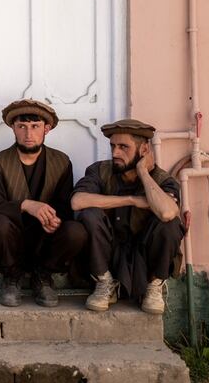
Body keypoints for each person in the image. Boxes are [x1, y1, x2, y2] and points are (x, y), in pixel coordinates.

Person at [72, 119, 184, 314]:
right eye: (113, 146)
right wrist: (132, 200)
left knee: (170, 224)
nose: (115, 153)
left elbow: (167, 213)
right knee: (89, 214)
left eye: (123, 147)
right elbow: (77, 201)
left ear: (144, 149)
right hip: (108, 251)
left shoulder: (162, 180)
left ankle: (153, 286)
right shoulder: (100, 171)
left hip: (144, 253)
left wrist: (143, 172)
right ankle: (104, 283)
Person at [0, 99, 86, 307]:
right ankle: (12, 277)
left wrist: (55, 220)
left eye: (35, 126)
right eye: (22, 126)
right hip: (13, 236)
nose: (28, 134)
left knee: (76, 231)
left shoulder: (61, 161)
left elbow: (65, 205)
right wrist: (26, 205)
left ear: (46, 129)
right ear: (13, 128)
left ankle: (43, 276)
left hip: (45, 238)